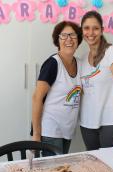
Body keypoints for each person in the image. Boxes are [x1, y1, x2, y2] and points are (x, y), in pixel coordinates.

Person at [80, 11, 113, 151]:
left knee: (112, 168)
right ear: (82, 31)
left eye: (95, 28)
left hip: (111, 123)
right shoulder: (83, 58)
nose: (91, 32)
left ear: (102, 30)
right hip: (87, 124)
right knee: (94, 168)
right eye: (86, 28)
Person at [31, 21, 83, 156]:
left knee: (60, 170)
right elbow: (37, 97)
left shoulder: (80, 63)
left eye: (72, 35)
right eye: (64, 36)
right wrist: (36, 135)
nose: (69, 39)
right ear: (57, 40)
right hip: (50, 130)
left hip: (68, 130)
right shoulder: (53, 64)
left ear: (78, 40)